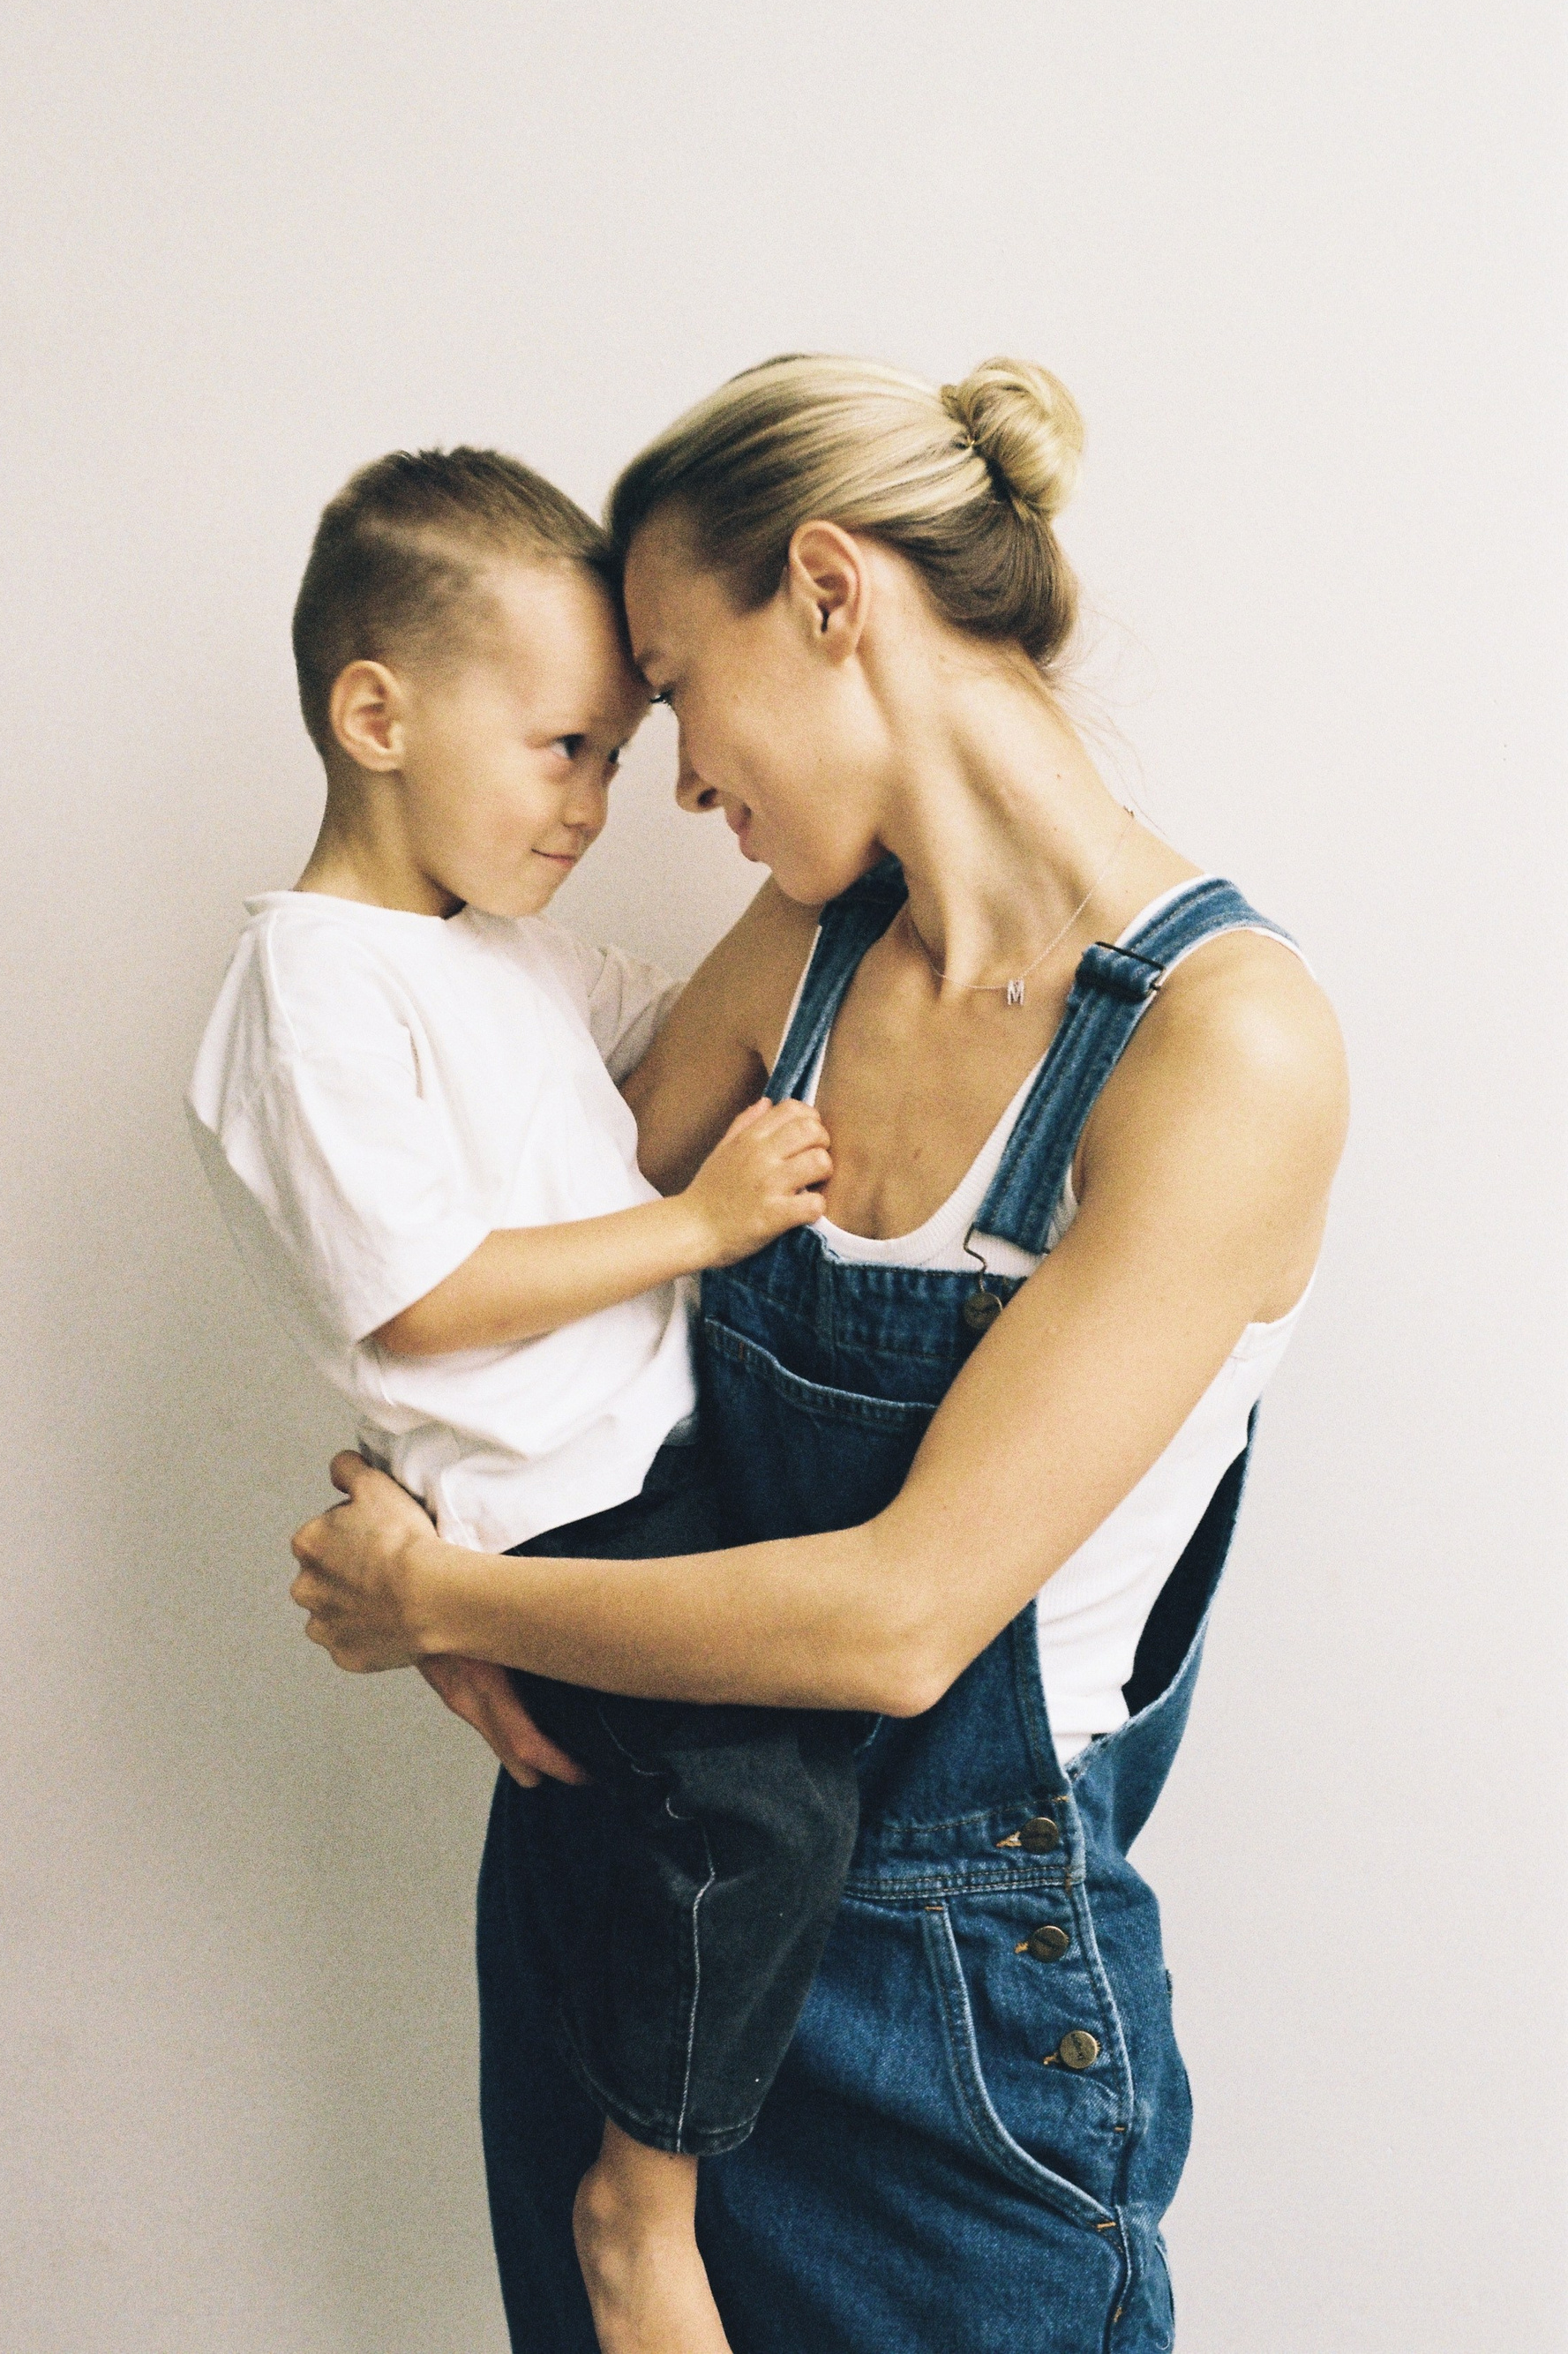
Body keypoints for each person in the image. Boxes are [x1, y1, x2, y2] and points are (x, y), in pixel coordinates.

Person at [290, 356, 1349, 2354]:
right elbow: (505, 1285)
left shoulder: (1229, 1051)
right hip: (633, 1896)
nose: (677, 786)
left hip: (944, 2026)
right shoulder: (806, 949)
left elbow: (899, 1621)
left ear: (834, 591)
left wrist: (440, 1593)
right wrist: (427, 1523)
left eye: (674, 687)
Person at [186, 446, 865, 2354]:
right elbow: (418, 1299)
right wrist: (696, 1227)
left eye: (621, 754)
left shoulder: (492, 950)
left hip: (641, 1469)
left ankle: (645, 2168)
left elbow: (688, 1020)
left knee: (739, 1808)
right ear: (376, 716)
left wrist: (848, 856)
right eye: (563, 747)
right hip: (555, 1513)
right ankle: (641, 2202)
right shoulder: (316, 983)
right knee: (764, 1802)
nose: (595, 803)